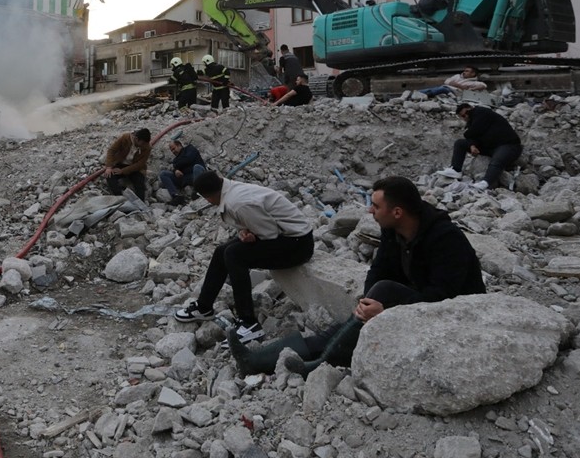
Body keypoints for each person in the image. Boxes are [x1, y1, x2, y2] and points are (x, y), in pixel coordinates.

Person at [229, 175, 485, 377]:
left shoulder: (446, 239)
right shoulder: (393, 229)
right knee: (358, 314)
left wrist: (385, 310)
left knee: (378, 297)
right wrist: (369, 301)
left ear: (397, 212)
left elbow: (444, 296)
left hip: (454, 316)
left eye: (375, 205)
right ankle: (258, 360)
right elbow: (379, 269)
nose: (370, 211)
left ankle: (317, 363)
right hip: (419, 302)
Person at [173, 171, 315, 344]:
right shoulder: (231, 190)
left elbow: (269, 234)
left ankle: (249, 324)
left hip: (298, 245)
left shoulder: (238, 203)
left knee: (234, 255)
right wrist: (247, 233)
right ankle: (204, 307)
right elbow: (261, 226)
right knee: (222, 251)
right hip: (286, 236)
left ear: (208, 198)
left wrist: (252, 236)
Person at [436, 103, 522, 189]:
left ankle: (486, 182)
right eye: (462, 116)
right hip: (491, 147)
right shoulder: (472, 121)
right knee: (460, 143)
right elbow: (475, 134)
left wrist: (467, 136)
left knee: (497, 159)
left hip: (509, 145)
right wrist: (472, 145)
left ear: (470, 108)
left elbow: (474, 131)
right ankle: (456, 169)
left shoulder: (481, 112)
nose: (465, 117)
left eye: (466, 114)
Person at [104, 127, 152, 201]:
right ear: (136, 139)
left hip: (135, 168)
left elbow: (140, 164)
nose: (143, 146)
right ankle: (119, 198)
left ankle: (140, 203)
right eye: (142, 143)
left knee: (139, 182)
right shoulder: (125, 138)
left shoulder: (147, 147)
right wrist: (109, 167)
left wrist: (123, 171)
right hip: (120, 163)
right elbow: (111, 150)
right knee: (109, 175)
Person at [158, 139, 207, 206]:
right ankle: (176, 196)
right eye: (171, 150)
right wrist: (175, 171)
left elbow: (188, 159)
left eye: (173, 148)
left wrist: (176, 166)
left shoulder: (190, 149)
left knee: (196, 167)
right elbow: (176, 166)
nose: (173, 151)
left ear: (179, 145)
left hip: (199, 175)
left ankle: (197, 191)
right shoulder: (175, 160)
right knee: (163, 174)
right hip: (185, 178)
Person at [418, 66, 488, 98]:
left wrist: (472, 89)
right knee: (436, 88)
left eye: (467, 71)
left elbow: (483, 85)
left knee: (442, 89)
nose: (464, 72)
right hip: (447, 88)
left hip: (454, 93)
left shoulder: (474, 82)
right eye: (464, 70)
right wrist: (459, 86)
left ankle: (423, 95)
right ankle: (417, 93)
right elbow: (447, 81)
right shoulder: (457, 76)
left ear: (473, 74)